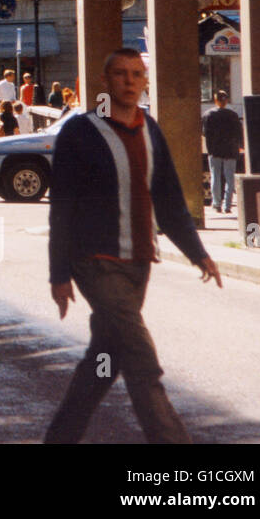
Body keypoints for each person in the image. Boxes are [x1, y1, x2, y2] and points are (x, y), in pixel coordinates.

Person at [45, 47, 222, 444]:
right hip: (95, 262)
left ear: (145, 82)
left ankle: (60, 439)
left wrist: (199, 253)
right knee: (142, 361)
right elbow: (61, 210)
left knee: (105, 360)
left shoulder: (150, 128)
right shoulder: (80, 132)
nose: (129, 82)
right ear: (105, 82)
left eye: (136, 75)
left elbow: (170, 198)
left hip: (138, 262)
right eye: (120, 74)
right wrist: (59, 275)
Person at [202, 90, 242, 214]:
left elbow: (204, 132)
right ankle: (227, 206)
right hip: (230, 150)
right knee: (230, 178)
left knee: (215, 176)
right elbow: (239, 133)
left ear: (215, 100)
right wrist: (240, 146)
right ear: (226, 101)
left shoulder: (207, 115)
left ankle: (216, 204)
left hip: (214, 150)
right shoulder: (233, 115)